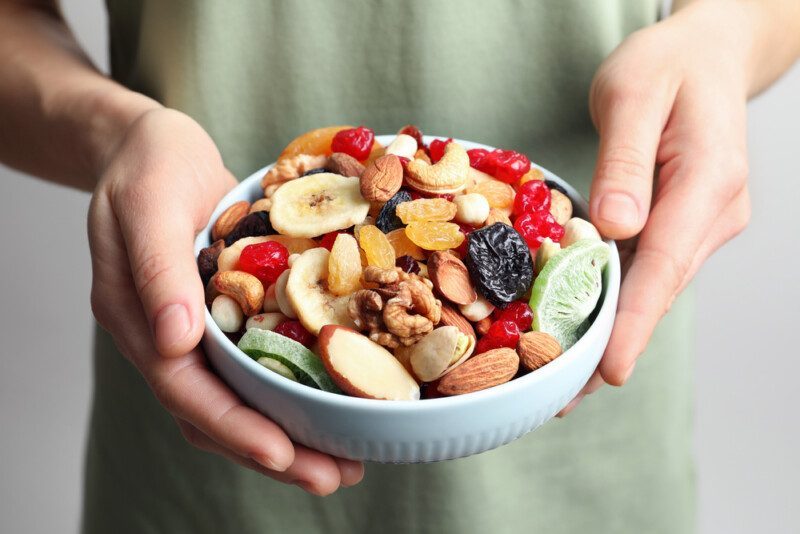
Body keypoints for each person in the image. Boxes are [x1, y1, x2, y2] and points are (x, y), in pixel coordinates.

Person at [1, 0, 798, 532]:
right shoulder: (303, 244)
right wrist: (112, 134)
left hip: (583, 416)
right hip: (206, 411)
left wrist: (720, 39)